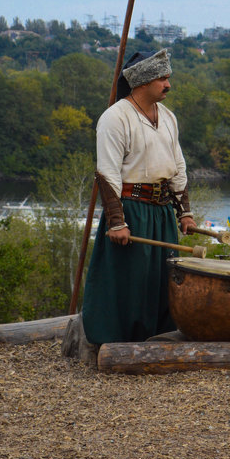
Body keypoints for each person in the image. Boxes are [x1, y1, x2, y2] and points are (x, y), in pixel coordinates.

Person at [82, 48, 195, 344]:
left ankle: (160, 342)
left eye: (168, 78)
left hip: (161, 213)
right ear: (143, 81)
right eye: (163, 78)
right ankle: (114, 344)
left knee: (163, 280)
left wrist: (184, 211)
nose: (168, 85)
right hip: (130, 211)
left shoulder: (168, 117)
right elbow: (107, 173)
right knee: (128, 281)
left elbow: (177, 166)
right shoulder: (114, 119)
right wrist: (116, 221)